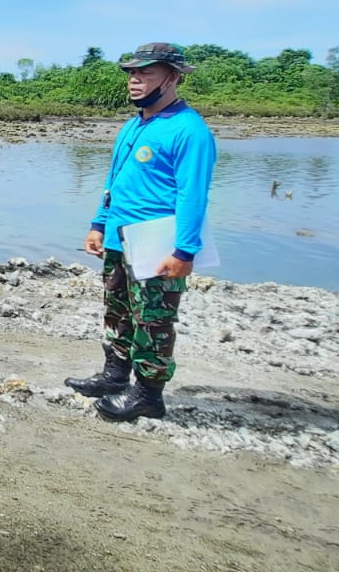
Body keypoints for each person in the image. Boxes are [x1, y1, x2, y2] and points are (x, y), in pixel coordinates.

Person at [65, 43, 217, 422]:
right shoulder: (135, 125)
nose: (135, 80)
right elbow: (115, 179)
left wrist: (185, 251)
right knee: (118, 312)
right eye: (132, 73)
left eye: (145, 73)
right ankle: (115, 375)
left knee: (153, 319)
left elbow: (192, 194)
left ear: (173, 77)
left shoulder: (189, 131)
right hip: (121, 237)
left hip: (156, 241)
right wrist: (99, 223)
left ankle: (149, 394)